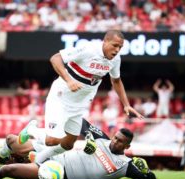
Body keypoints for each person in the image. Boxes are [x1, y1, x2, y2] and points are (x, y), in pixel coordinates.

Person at [18, 30, 143, 164]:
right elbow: (55, 58)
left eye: (120, 47)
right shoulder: (88, 49)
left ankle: (38, 159)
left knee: (68, 144)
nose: (117, 50)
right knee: (52, 140)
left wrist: (126, 104)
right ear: (105, 41)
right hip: (61, 98)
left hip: (79, 105)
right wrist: (69, 80)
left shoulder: (115, 59)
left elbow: (116, 81)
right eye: (114, 45)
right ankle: (32, 130)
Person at [0, 125, 157, 179]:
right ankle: (8, 151)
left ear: (127, 146)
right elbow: (81, 123)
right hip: (56, 153)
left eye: (120, 141)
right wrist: (89, 138)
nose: (115, 141)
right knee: (12, 139)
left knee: (8, 170)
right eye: (116, 137)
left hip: (59, 171)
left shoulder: (125, 164)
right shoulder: (101, 138)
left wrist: (145, 170)